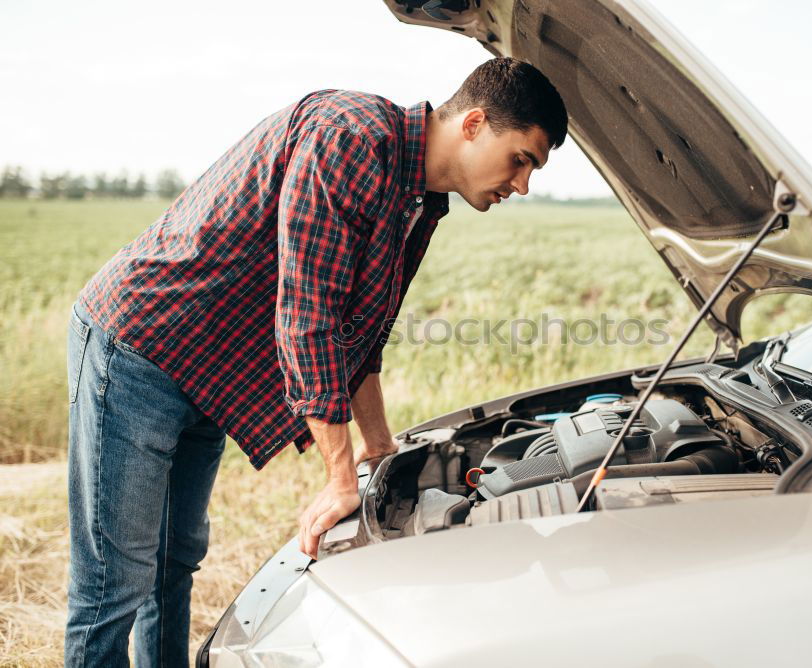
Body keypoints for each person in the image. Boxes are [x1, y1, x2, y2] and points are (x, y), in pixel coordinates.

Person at [63, 57, 567, 667]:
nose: (522, 185)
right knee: (115, 583)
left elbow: (360, 330)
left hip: (208, 369)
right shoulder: (351, 139)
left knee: (173, 563)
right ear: (475, 123)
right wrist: (337, 476)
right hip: (143, 343)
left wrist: (378, 447)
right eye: (521, 159)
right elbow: (310, 313)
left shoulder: (421, 201)